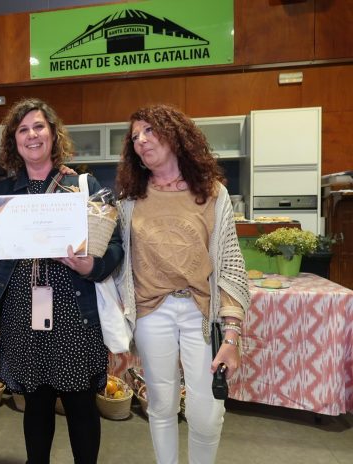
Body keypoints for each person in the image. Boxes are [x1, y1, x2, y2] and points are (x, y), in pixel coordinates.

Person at [0, 98, 123, 464]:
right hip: (24, 314)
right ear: (14, 141)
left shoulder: (83, 186)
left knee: (81, 406)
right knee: (36, 406)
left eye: (39, 126)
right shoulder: (5, 193)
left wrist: (90, 266)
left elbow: (116, 249)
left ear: (53, 134)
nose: (32, 135)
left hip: (76, 315)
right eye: (22, 129)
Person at [114, 104, 250, 464]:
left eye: (149, 131)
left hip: (201, 314)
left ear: (175, 134)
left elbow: (232, 266)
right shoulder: (129, 201)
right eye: (135, 137)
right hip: (150, 313)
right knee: (160, 405)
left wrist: (232, 335)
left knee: (207, 413)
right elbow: (118, 265)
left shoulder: (213, 194)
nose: (141, 141)